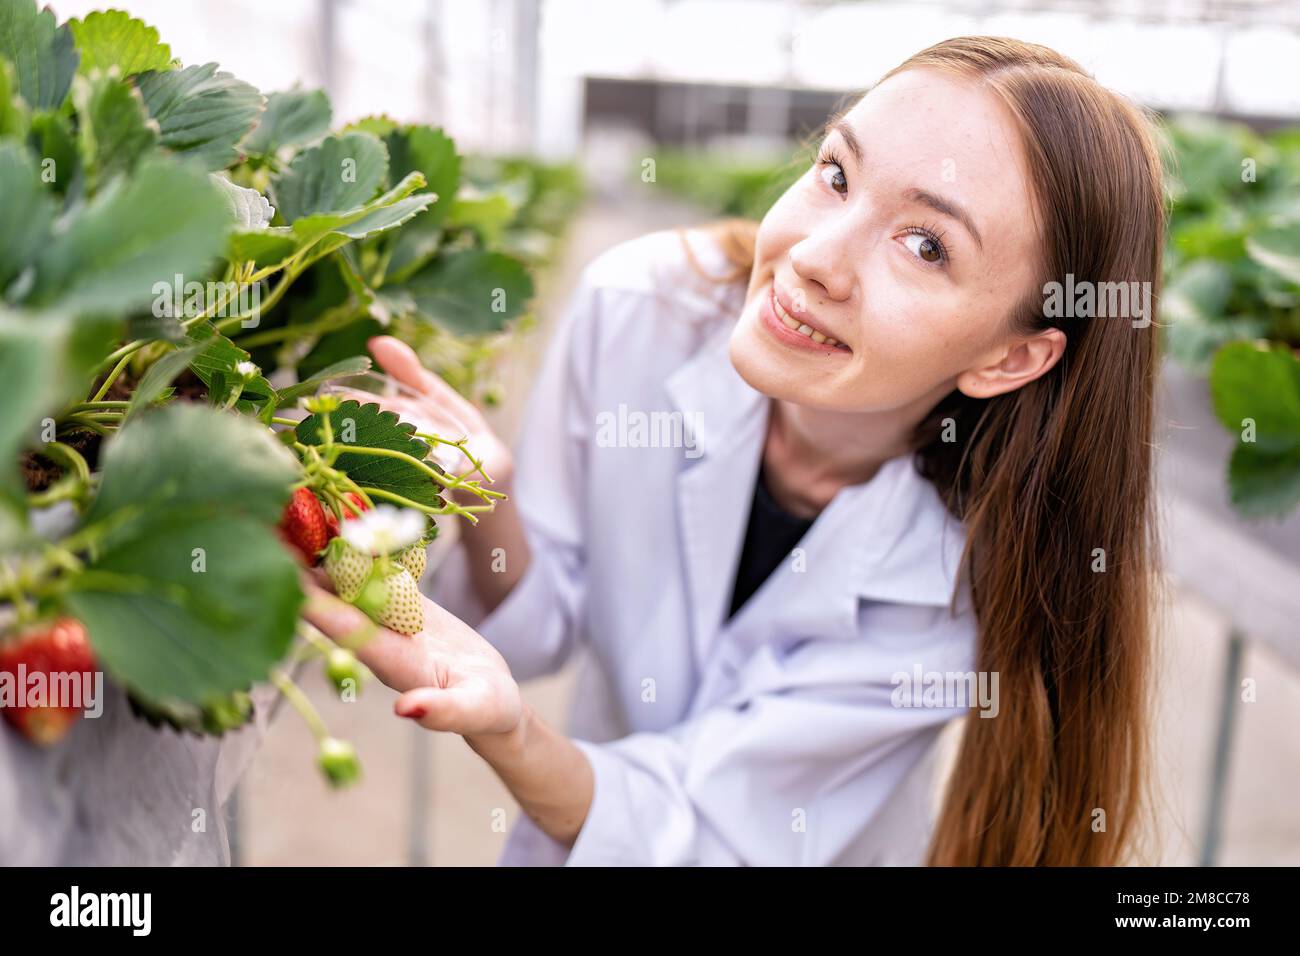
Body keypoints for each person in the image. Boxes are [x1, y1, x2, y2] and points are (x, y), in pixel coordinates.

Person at [304, 35, 1165, 866]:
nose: (816, 256)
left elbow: (707, 825)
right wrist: (489, 498)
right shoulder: (638, 310)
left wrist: (513, 732)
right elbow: (545, 620)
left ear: (1009, 357)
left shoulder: (964, 575)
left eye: (927, 245)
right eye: (836, 175)